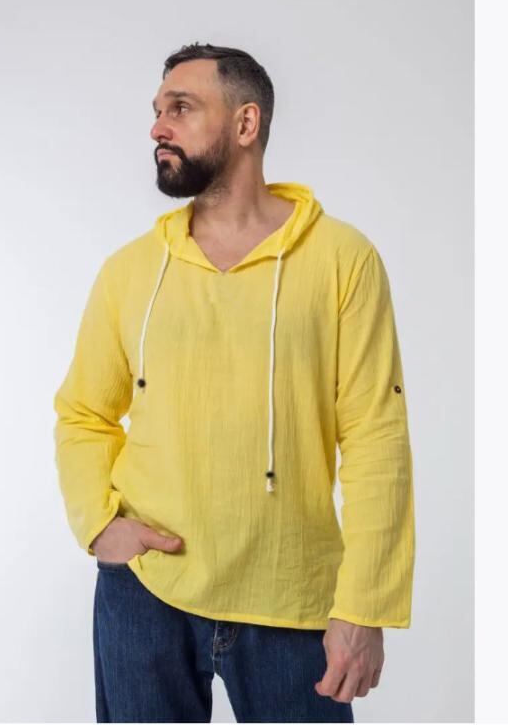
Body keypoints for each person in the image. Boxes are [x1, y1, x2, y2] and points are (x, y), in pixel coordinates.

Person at [53, 42, 416, 723]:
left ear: (246, 124)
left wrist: (365, 606)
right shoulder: (130, 270)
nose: (158, 127)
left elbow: (376, 437)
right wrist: (99, 525)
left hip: (292, 599)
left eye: (181, 108)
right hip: (146, 592)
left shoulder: (343, 260)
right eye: (158, 110)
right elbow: (83, 413)